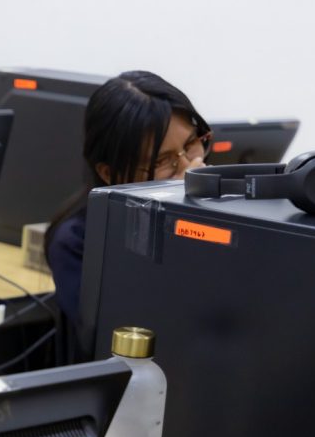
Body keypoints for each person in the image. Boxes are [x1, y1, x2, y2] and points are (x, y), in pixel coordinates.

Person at [45, 70, 210, 353]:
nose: (189, 167)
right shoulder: (77, 242)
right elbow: (128, 338)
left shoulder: (216, 212)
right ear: (109, 173)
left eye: (190, 144)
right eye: (161, 160)